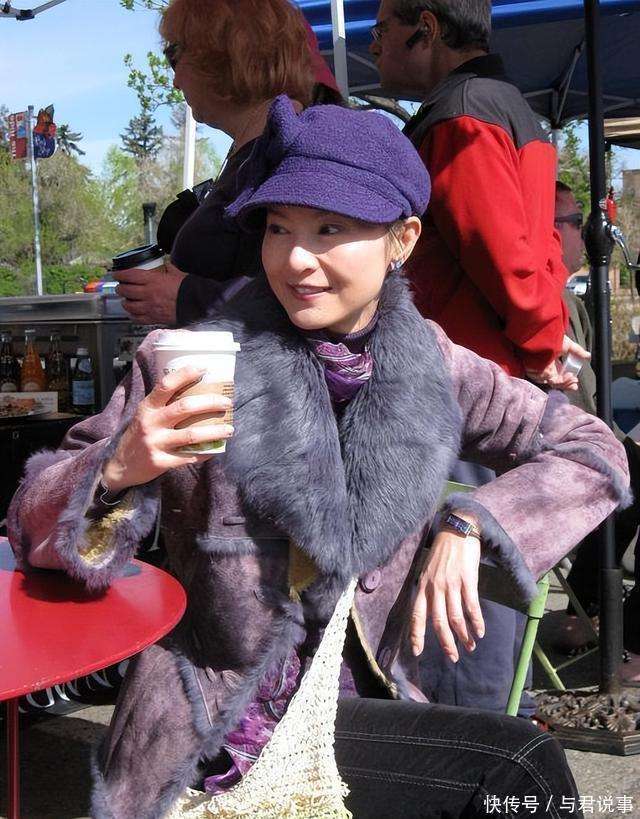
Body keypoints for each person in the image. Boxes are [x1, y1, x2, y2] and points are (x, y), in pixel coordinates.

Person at [9, 98, 627, 819]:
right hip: (217, 721)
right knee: (517, 766)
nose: (296, 259)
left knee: (518, 770)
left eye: (329, 229)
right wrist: (118, 468)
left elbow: (593, 448)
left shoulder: (432, 364)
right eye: (279, 228)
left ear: (402, 240)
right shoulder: (192, 361)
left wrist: (472, 522)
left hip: (362, 704)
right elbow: (29, 527)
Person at [369, 0, 590, 715]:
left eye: (382, 28)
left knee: (463, 607)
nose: (373, 45)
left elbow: (503, 254)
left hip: (465, 393)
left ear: (427, 27)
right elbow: (541, 248)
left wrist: (542, 343)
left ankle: (468, 751)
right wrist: (547, 340)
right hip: (491, 379)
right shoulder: (506, 106)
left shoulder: (462, 115)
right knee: (483, 587)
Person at [113, 0, 341, 328]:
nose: (175, 81)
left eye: (174, 56)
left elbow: (314, 288)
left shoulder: (291, 155)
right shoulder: (262, 150)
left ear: (222, 54)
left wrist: (188, 300)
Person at [553, 181, 640, 679]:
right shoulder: (543, 300)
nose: (585, 233)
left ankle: (584, 611)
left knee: (629, 475)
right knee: (627, 476)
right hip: (557, 454)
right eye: (572, 222)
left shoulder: (566, 297)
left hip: (580, 444)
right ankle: (628, 634)